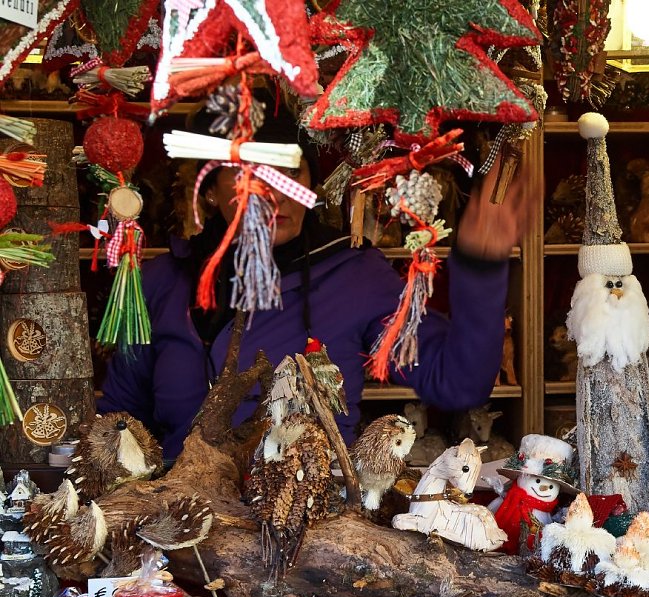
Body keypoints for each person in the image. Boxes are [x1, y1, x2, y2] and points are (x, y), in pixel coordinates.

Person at [99, 106, 528, 460]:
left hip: (314, 521)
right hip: (189, 525)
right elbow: (119, 421)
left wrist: (482, 267)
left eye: (291, 173)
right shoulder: (161, 284)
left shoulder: (354, 276)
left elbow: (457, 381)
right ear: (210, 190)